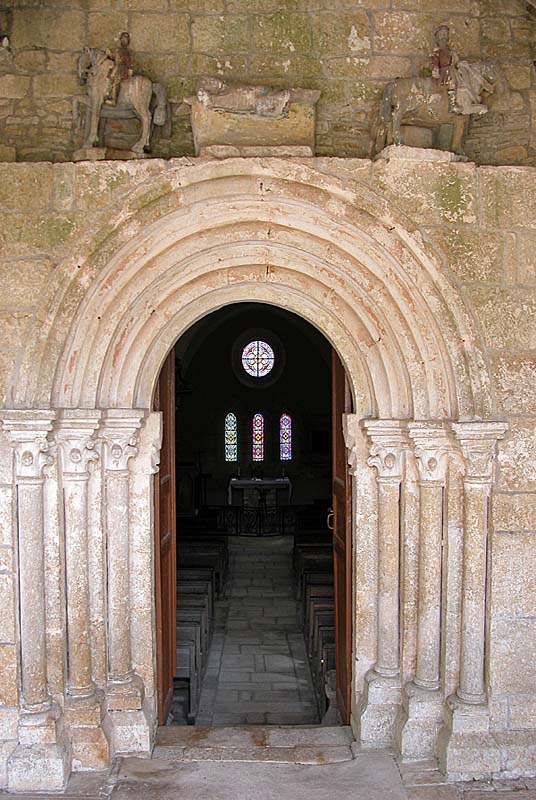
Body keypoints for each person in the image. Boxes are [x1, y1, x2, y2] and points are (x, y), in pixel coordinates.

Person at [431, 24, 461, 113]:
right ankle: (452, 104)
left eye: (445, 34)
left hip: (452, 70)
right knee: (451, 79)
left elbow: (455, 61)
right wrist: (435, 68)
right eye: (441, 34)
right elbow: (435, 61)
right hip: (444, 73)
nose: (443, 36)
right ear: (437, 37)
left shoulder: (450, 51)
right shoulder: (437, 51)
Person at [106, 32, 134, 106]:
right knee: (109, 78)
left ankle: (114, 100)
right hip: (116, 67)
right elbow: (114, 58)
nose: (124, 41)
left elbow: (129, 61)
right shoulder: (118, 50)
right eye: (123, 39)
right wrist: (109, 54)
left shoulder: (126, 51)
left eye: (126, 40)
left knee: (116, 82)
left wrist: (130, 69)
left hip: (121, 69)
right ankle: (108, 94)